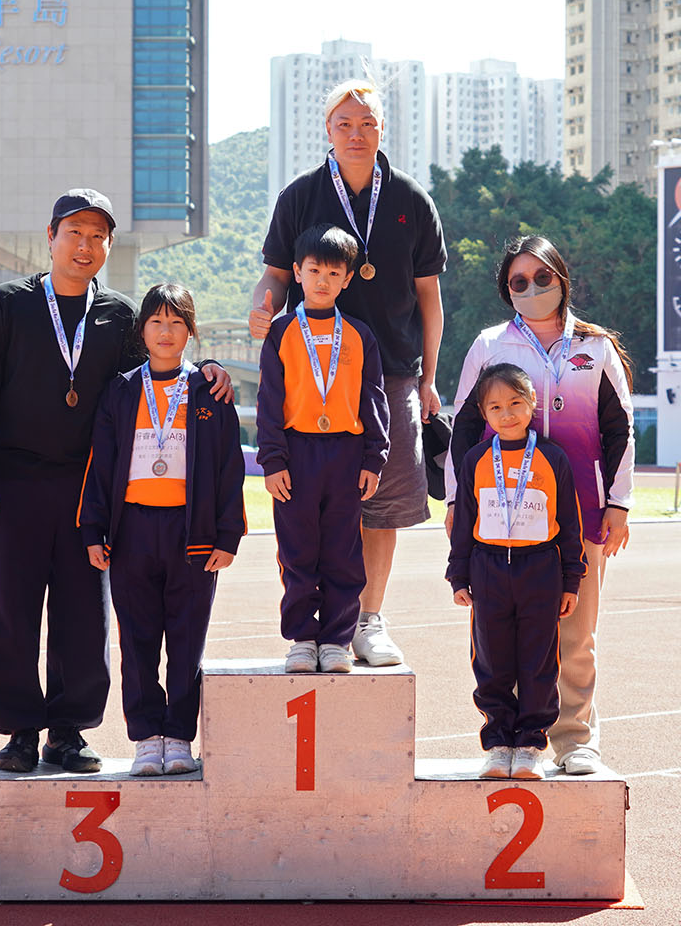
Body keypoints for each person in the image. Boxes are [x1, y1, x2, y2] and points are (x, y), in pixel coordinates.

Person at [0, 189, 232, 775]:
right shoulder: (6, 305)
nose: (85, 246)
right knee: (9, 610)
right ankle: (19, 731)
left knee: (83, 612)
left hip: (88, 485)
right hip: (12, 483)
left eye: (97, 237)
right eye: (74, 233)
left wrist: (208, 370)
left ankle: (68, 730)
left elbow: (157, 375)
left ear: (108, 246)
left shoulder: (119, 315)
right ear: (50, 236)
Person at [249, 79, 447, 667]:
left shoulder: (412, 199)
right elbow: (274, 277)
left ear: (382, 128)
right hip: (309, 376)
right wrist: (261, 307)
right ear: (328, 130)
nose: (356, 134)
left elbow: (430, 299)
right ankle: (310, 629)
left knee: (383, 502)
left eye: (367, 123)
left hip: (391, 372)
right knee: (306, 510)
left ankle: (367, 619)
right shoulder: (300, 195)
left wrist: (430, 379)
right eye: (344, 124)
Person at [446, 236, 634, 776]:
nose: (532, 288)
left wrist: (618, 502)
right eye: (519, 281)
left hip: (582, 514)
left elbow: (619, 427)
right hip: (501, 521)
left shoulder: (595, 347)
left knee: (576, 634)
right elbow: (464, 426)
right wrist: (457, 499)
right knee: (502, 639)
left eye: (542, 277)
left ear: (561, 278)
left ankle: (574, 740)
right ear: (506, 290)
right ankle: (509, 739)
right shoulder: (490, 345)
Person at [79, 283, 247, 777]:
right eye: (156, 321)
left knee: (186, 641)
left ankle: (179, 737)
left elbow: (229, 467)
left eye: (176, 322)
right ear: (142, 331)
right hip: (132, 530)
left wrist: (228, 536)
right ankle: (146, 738)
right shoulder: (121, 390)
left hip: (191, 533)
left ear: (191, 331)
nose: (166, 331)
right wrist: (93, 529)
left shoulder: (209, 391)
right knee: (137, 641)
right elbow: (101, 464)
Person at [257, 224, 389, 675]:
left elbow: (374, 399)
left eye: (334, 273)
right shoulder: (281, 333)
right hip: (296, 454)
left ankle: (335, 640)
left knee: (343, 552)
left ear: (347, 279)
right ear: (297, 272)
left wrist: (373, 458)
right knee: (297, 551)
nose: (322, 280)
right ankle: (302, 638)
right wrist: (273, 460)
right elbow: (269, 400)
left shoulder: (359, 335)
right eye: (314, 270)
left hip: (346, 455)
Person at [448, 363, 585, 780]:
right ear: (483, 413)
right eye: (495, 407)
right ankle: (498, 744)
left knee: (538, 661)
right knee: (491, 661)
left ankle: (529, 745)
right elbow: (464, 522)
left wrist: (571, 580)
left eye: (515, 403)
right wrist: (458, 575)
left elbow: (570, 523)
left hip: (540, 570)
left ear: (532, 403)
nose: (506, 414)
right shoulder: (475, 459)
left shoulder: (552, 458)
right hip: (488, 570)